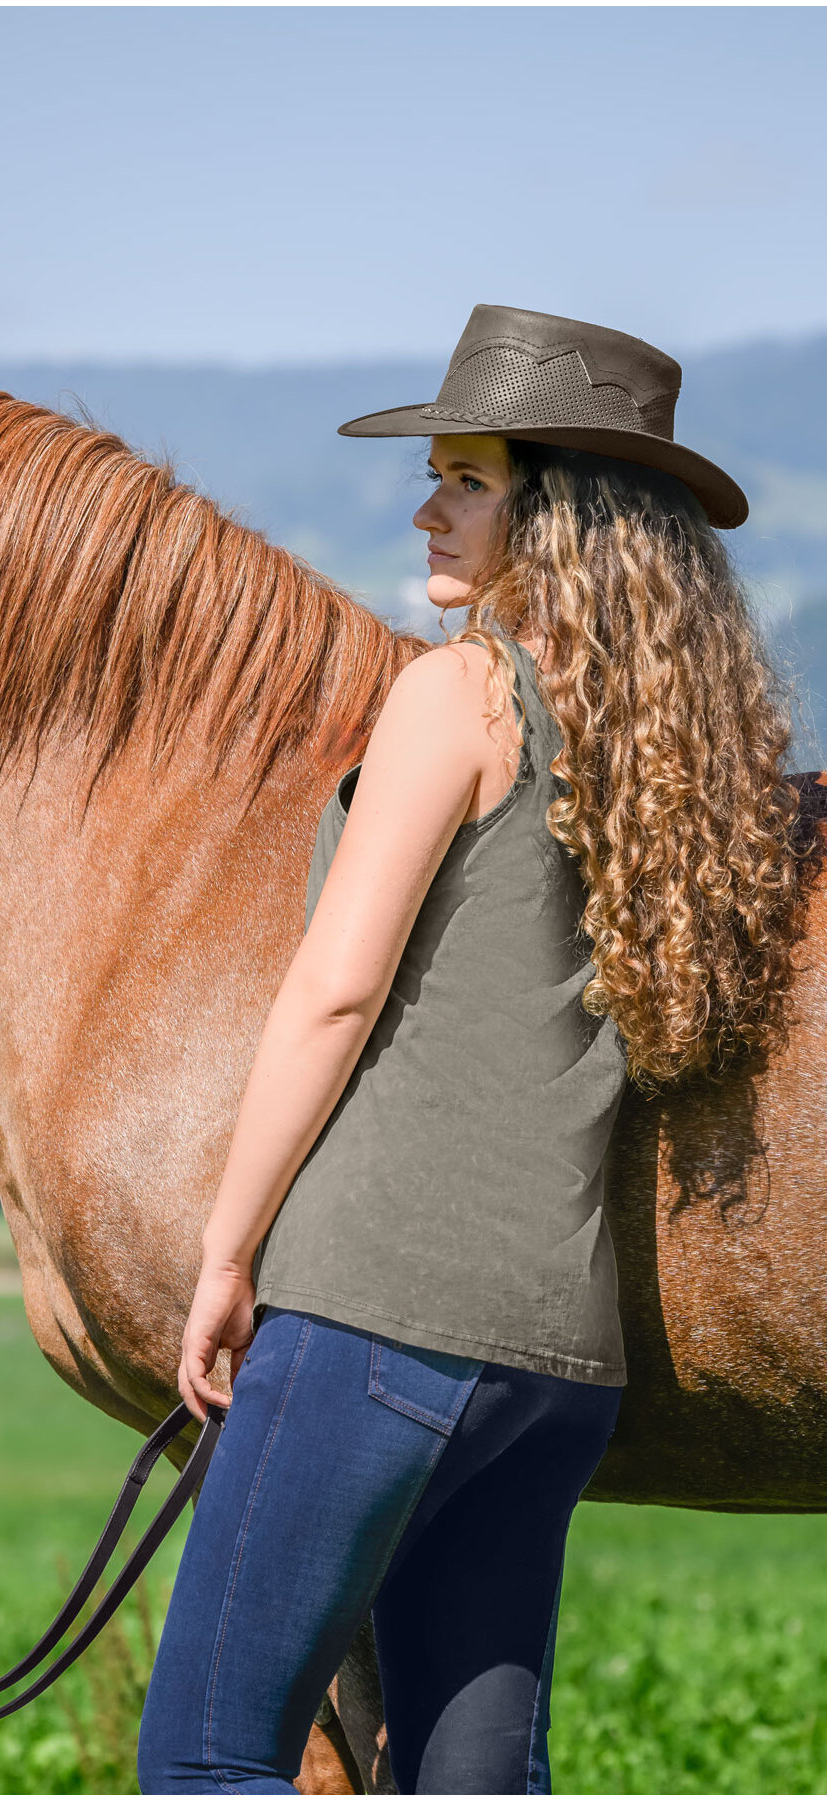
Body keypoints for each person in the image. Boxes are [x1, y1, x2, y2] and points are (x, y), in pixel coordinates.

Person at [136, 306, 809, 1794]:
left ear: (558, 517)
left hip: (375, 1306)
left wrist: (225, 1254)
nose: (427, 505)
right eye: (432, 473)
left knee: (204, 1757)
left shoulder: (458, 693)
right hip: (556, 1367)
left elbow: (331, 991)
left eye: (468, 478)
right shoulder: (678, 768)